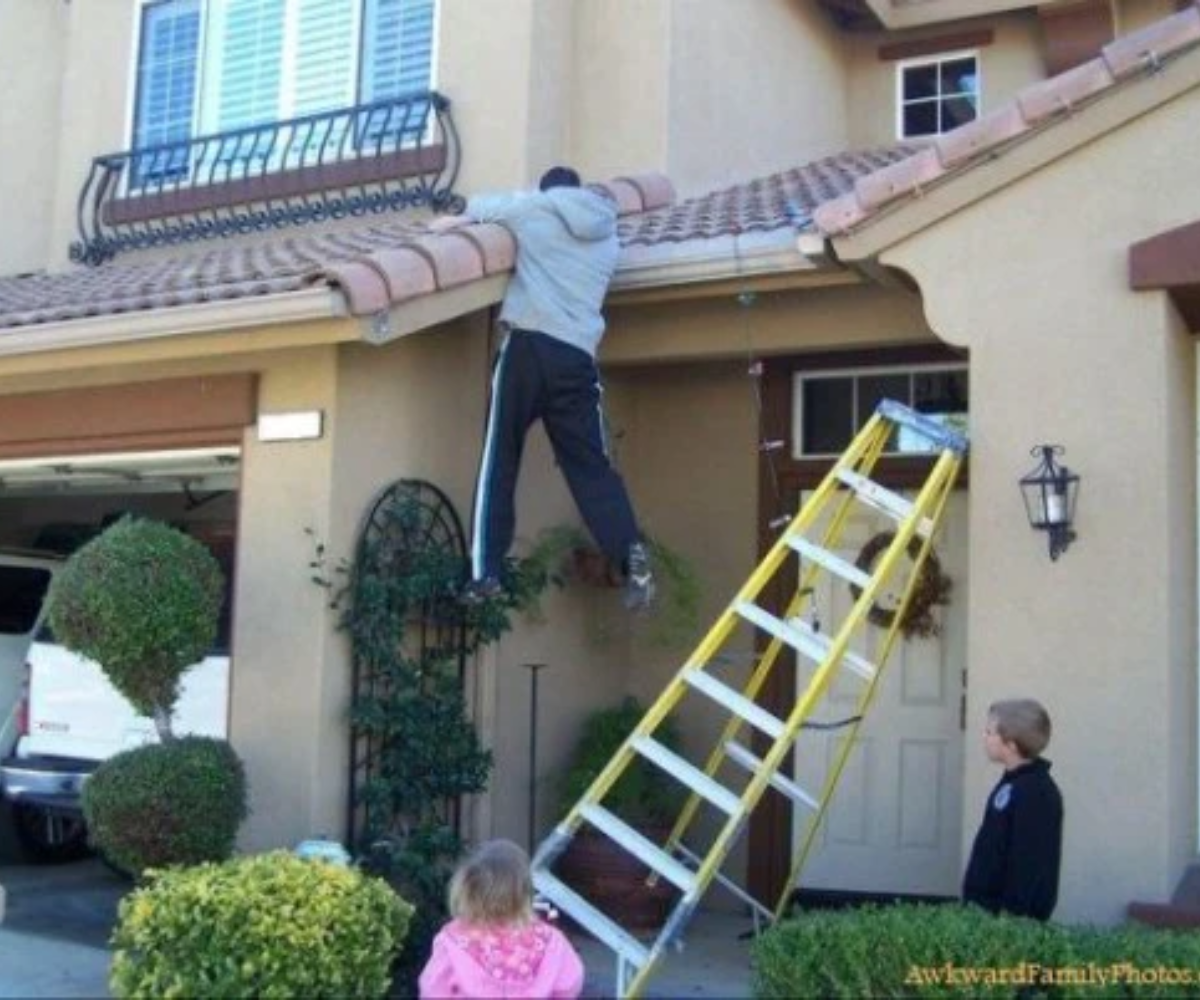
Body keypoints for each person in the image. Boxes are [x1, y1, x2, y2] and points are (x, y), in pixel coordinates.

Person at [433, 166, 654, 611]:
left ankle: (486, 575)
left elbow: (467, 209)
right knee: (591, 467)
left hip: (529, 347)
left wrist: (453, 220)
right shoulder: (608, 233)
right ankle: (631, 554)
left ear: (546, 188)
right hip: (577, 357)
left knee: (501, 459)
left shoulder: (532, 207)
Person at [418, 839, 585, 1000]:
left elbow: (433, 989)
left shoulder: (453, 940)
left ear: (466, 889)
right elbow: (569, 985)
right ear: (524, 892)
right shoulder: (550, 940)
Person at [962, 697, 1064, 921]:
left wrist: (1010, 918)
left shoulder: (1036, 793)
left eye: (990, 733)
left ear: (1011, 744)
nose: (984, 737)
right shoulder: (1013, 783)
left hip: (1007, 921)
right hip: (985, 912)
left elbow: (1029, 865)